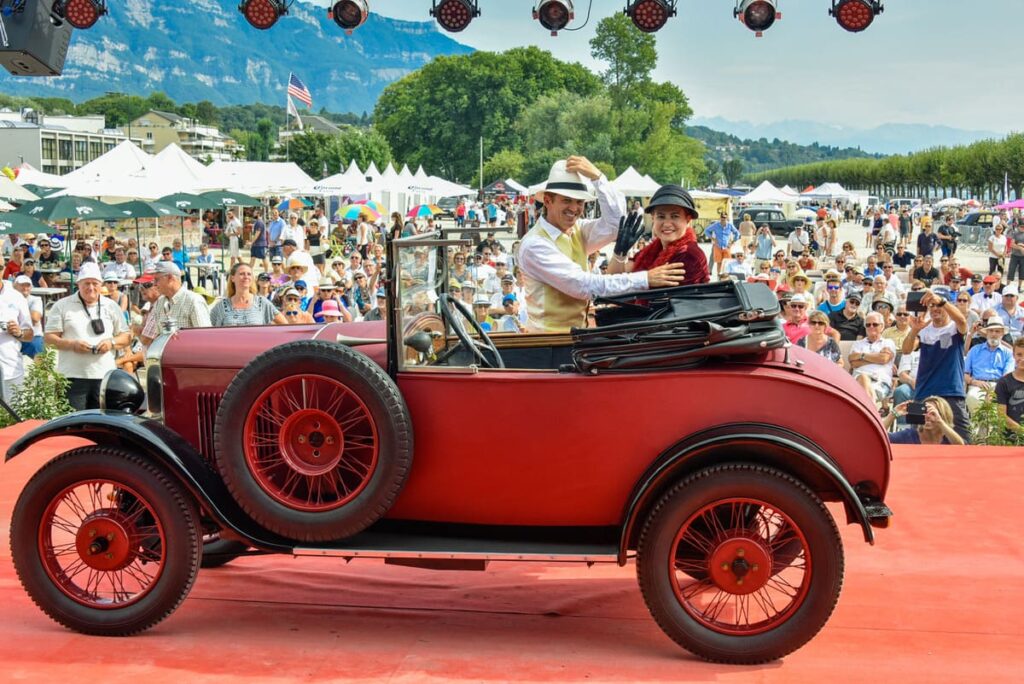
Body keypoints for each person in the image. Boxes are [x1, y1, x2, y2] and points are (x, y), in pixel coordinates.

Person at [519, 160, 686, 333]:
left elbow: (615, 224)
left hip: (575, 336)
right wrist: (645, 279)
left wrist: (598, 178)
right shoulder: (535, 244)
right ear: (547, 201)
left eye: (580, 202)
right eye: (567, 200)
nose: (575, 208)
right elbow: (584, 286)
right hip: (547, 342)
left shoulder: (577, 230)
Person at [42, 263, 130, 410]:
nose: (91, 288)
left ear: (101, 284)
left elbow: (126, 336)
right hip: (72, 377)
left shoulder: (111, 306)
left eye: (95, 283)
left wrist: (111, 342)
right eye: (86, 283)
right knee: (73, 424)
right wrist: (72, 345)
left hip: (104, 376)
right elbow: (49, 338)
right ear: (78, 284)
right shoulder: (62, 305)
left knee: (101, 425)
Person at [902, 289, 971, 442]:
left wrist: (941, 300)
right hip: (923, 392)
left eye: (938, 304)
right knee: (916, 439)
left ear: (946, 306)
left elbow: (962, 321)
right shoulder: (924, 330)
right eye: (931, 305)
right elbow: (906, 350)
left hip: (951, 392)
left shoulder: (954, 327)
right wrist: (914, 330)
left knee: (964, 440)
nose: (934, 308)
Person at [143, 262, 212, 338]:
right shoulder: (160, 302)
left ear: (170, 278)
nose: (154, 284)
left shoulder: (194, 301)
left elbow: (205, 337)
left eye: (156, 279)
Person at [210, 263, 286, 327]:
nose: (246, 277)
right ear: (233, 278)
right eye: (242, 274)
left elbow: (285, 325)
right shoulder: (221, 306)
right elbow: (208, 329)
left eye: (249, 274)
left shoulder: (261, 303)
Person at [963, 319, 1015, 413]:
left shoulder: (1008, 353)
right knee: (972, 397)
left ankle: (990, 427)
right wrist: (974, 382)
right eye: (991, 331)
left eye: (997, 331)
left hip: (999, 386)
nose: (993, 334)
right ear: (986, 333)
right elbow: (965, 374)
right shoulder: (974, 350)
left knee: (996, 405)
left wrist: (994, 390)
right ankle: (978, 427)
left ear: (1002, 334)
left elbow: (1007, 377)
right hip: (976, 385)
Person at [850, 312, 897, 406]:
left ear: (882, 326)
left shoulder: (888, 342)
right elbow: (853, 363)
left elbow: (883, 359)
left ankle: (869, 413)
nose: (871, 327)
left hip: (881, 382)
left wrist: (861, 356)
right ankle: (872, 413)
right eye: (868, 325)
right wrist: (876, 357)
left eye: (875, 324)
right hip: (857, 382)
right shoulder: (858, 344)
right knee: (863, 378)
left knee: (862, 388)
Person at [884, 396, 965, 445]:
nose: (927, 416)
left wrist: (940, 422)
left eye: (932, 413)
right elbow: (880, 439)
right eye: (924, 412)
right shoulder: (910, 435)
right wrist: (892, 415)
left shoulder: (948, 438)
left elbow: (960, 446)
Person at [994, 337, 1024, 436]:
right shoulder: (1004, 382)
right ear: (1013, 355)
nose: (1022, 359)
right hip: (1010, 439)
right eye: (1019, 355)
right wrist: (1022, 432)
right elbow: (1001, 415)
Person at [12, 275, 44, 360]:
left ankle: (43, 372)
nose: (25, 288)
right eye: (22, 285)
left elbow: (35, 318)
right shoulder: (8, 300)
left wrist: (16, 312)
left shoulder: (36, 299)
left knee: (42, 362)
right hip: (11, 336)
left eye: (28, 285)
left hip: (33, 336)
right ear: (14, 286)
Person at [704, 209, 739, 276]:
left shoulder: (730, 225)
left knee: (727, 262)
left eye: (724, 217)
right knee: (719, 262)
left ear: (727, 218)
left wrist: (732, 242)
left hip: (726, 246)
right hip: (718, 246)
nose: (723, 219)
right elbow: (706, 231)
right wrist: (713, 238)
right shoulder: (716, 225)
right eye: (722, 217)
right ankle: (719, 276)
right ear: (720, 218)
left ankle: (726, 276)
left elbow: (737, 233)